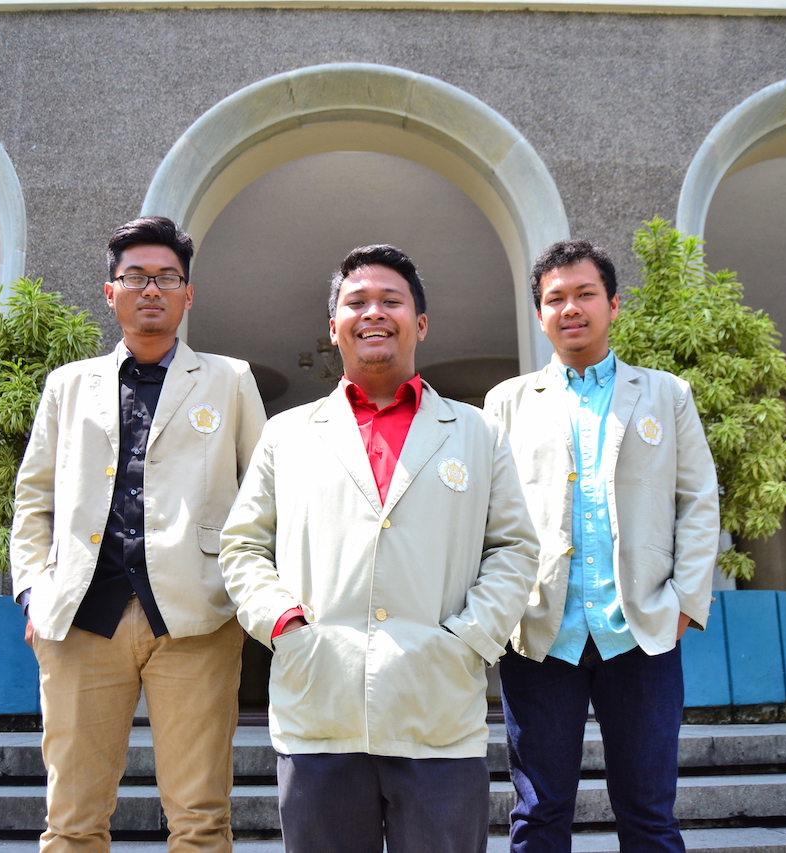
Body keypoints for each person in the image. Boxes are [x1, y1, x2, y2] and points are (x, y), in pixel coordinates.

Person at [220, 244, 538, 853]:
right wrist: (285, 626)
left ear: (420, 323)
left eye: (391, 301)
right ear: (333, 326)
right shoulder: (287, 434)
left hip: (437, 711)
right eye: (356, 302)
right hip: (322, 707)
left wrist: (468, 638)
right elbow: (243, 545)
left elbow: (515, 548)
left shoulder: (477, 432)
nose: (373, 312)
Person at [10, 215, 266, 853]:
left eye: (166, 278)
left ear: (188, 293)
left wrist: (249, 597)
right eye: (136, 277)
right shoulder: (69, 385)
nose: (151, 289)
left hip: (196, 619)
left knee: (201, 819)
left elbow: (263, 497)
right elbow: (34, 496)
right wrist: (32, 593)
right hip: (80, 617)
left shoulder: (230, 380)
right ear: (111, 292)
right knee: (72, 820)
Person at [484, 239, 720, 852]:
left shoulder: (667, 394)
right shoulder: (506, 402)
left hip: (640, 630)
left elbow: (698, 501)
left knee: (650, 814)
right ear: (540, 314)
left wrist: (685, 604)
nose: (571, 308)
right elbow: (488, 515)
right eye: (555, 298)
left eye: (585, 294)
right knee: (539, 814)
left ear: (613, 304)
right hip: (540, 633)